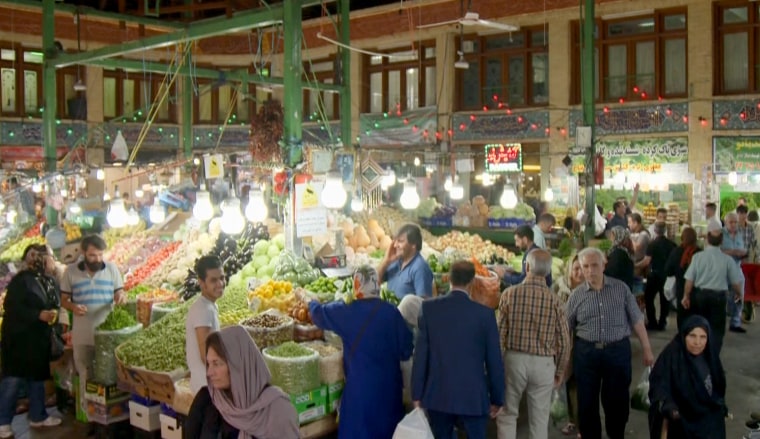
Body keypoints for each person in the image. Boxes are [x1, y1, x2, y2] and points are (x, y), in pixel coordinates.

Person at [305, 265, 413, 439]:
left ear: (357, 285)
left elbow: (318, 314)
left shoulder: (347, 311)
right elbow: (407, 350)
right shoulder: (392, 313)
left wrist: (310, 301)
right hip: (389, 394)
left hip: (360, 395)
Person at [565, 247, 654, 439]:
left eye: (594, 265)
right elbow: (566, 328)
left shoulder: (621, 289)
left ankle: (617, 434)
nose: (590, 270)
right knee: (587, 402)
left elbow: (637, 320)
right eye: (585, 266)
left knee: (617, 401)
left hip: (617, 352)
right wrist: (563, 359)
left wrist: (647, 349)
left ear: (604, 264)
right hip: (586, 353)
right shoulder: (576, 296)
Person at [412, 260, 505, 439]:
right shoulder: (484, 315)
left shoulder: (429, 309)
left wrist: (417, 393)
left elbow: (420, 355)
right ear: (472, 282)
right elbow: (494, 361)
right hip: (473, 397)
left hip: (438, 395)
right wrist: (497, 398)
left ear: (448, 279)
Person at [496, 250, 570, 439]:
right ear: (547, 273)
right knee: (539, 419)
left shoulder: (509, 294)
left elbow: (499, 333)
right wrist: (560, 371)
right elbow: (564, 341)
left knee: (507, 414)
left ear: (526, 267)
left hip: (514, 360)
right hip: (543, 364)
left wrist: (498, 365)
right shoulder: (556, 301)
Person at [184, 326, 300, 439]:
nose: (209, 372)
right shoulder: (206, 400)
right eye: (209, 364)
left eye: (216, 363)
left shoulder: (278, 410)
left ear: (239, 366)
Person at [60, 235, 124, 426]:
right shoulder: (70, 272)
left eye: (99, 255)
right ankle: (90, 418)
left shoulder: (112, 269)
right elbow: (63, 300)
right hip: (82, 335)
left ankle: (113, 416)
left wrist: (120, 297)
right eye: (92, 255)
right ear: (84, 253)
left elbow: (119, 292)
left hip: (107, 335)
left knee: (109, 375)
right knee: (86, 375)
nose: (97, 259)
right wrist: (73, 307)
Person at [0, 246, 62, 438]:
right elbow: (13, 308)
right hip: (19, 339)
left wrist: (54, 314)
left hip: (38, 339)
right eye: (34, 257)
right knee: (13, 379)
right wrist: (37, 315)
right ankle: (3, 422)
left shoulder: (49, 280)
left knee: (37, 378)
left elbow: (54, 302)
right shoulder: (21, 281)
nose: (46, 261)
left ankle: (38, 415)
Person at [648, 315, 727, 439]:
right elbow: (658, 385)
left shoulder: (710, 357)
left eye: (703, 337)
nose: (697, 342)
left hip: (708, 422)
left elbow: (718, 386)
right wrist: (669, 406)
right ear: (684, 336)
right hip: (682, 422)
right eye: (692, 336)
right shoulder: (672, 356)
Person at [682, 226, 743, 354]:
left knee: (698, 327)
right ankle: (713, 358)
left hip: (700, 296)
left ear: (707, 240)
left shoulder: (698, 257)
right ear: (721, 242)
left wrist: (686, 296)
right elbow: (735, 282)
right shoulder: (727, 260)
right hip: (718, 298)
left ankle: (698, 355)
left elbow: (689, 280)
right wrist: (739, 293)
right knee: (716, 330)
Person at [552, 253, 584, 436]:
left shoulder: (591, 290)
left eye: (582, 268)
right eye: (576, 268)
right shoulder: (559, 287)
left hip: (583, 343)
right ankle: (573, 421)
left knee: (582, 385)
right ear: (569, 269)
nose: (579, 272)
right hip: (562, 344)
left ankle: (583, 425)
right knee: (569, 383)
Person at [186, 256, 225, 394]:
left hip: (208, 384)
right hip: (206, 388)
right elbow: (206, 356)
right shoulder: (203, 310)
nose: (220, 283)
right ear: (201, 283)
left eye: (222, 277)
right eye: (213, 280)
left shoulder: (208, 306)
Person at [377, 224, 434, 300]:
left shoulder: (420, 268)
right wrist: (386, 261)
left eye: (400, 241)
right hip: (391, 311)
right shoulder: (395, 262)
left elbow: (423, 303)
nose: (395, 245)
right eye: (395, 241)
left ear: (413, 244)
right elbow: (375, 282)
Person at [640, 222, 677, 330]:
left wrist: (635, 265)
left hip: (654, 275)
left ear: (655, 231)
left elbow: (646, 261)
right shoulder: (672, 244)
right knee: (664, 300)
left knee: (649, 298)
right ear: (666, 231)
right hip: (667, 276)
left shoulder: (652, 244)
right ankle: (662, 322)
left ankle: (652, 322)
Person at [664, 227, 702, 330]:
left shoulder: (677, 252)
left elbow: (668, 271)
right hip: (698, 291)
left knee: (682, 317)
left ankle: (683, 338)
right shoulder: (700, 253)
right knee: (696, 318)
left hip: (681, 290)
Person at [721, 212, 747, 333]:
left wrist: (742, 253)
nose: (733, 224)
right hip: (723, 270)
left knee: (739, 294)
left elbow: (743, 249)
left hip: (737, 268)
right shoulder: (720, 234)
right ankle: (719, 320)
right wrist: (732, 252)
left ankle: (735, 322)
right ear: (725, 222)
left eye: (735, 222)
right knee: (721, 296)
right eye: (731, 222)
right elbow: (716, 251)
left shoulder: (739, 234)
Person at [604, 226, 635, 291]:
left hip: (618, 290)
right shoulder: (621, 251)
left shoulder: (618, 254)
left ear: (618, 237)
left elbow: (611, 272)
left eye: (612, 236)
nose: (610, 239)